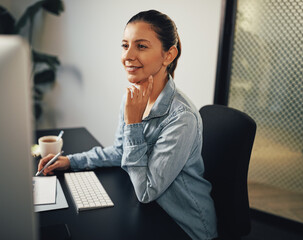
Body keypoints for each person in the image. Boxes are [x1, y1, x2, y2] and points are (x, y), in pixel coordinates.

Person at [38, 9, 218, 240]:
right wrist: (72, 161)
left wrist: (133, 123)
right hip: (151, 212)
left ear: (168, 55)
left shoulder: (182, 117)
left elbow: (146, 191)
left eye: (141, 46)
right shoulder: (133, 97)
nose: (128, 56)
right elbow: (122, 151)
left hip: (184, 225)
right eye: (125, 45)